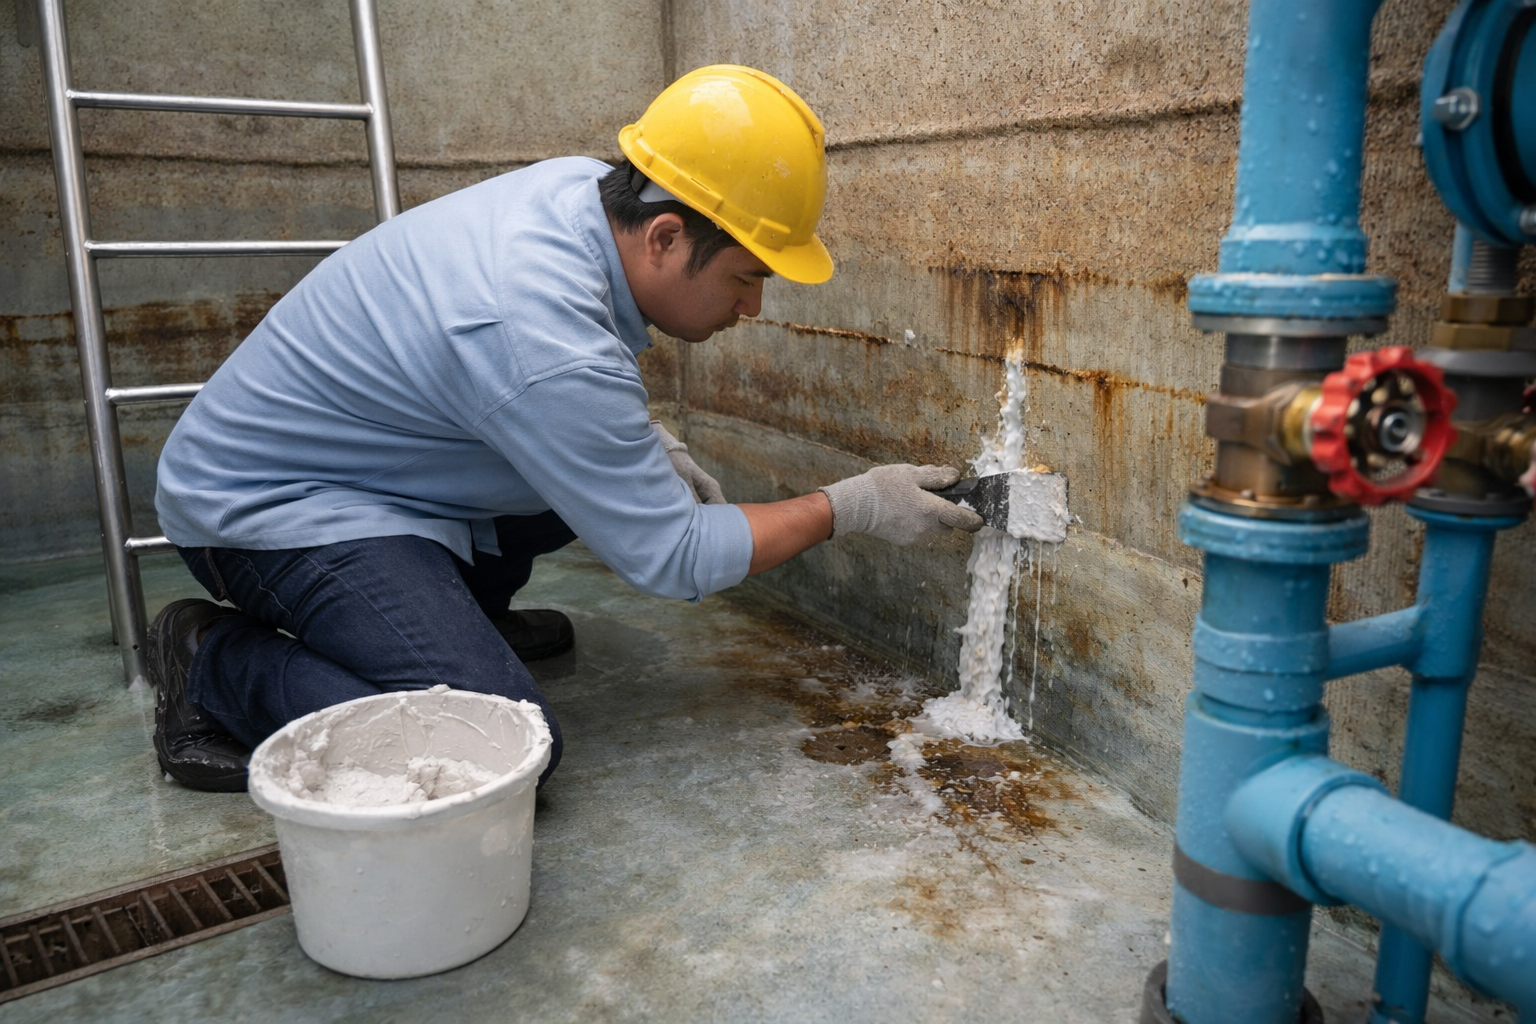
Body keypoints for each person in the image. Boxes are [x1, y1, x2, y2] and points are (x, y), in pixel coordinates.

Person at [149, 65, 984, 793]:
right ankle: (213, 663)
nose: (753, 306)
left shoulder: (581, 193)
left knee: (605, 481)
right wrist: (853, 505)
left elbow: (534, 390)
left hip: (373, 464)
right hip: (266, 509)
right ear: (664, 236)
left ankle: (464, 613)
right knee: (505, 747)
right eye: (746, 277)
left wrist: (650, 441)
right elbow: (670, 555)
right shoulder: (536, 330)